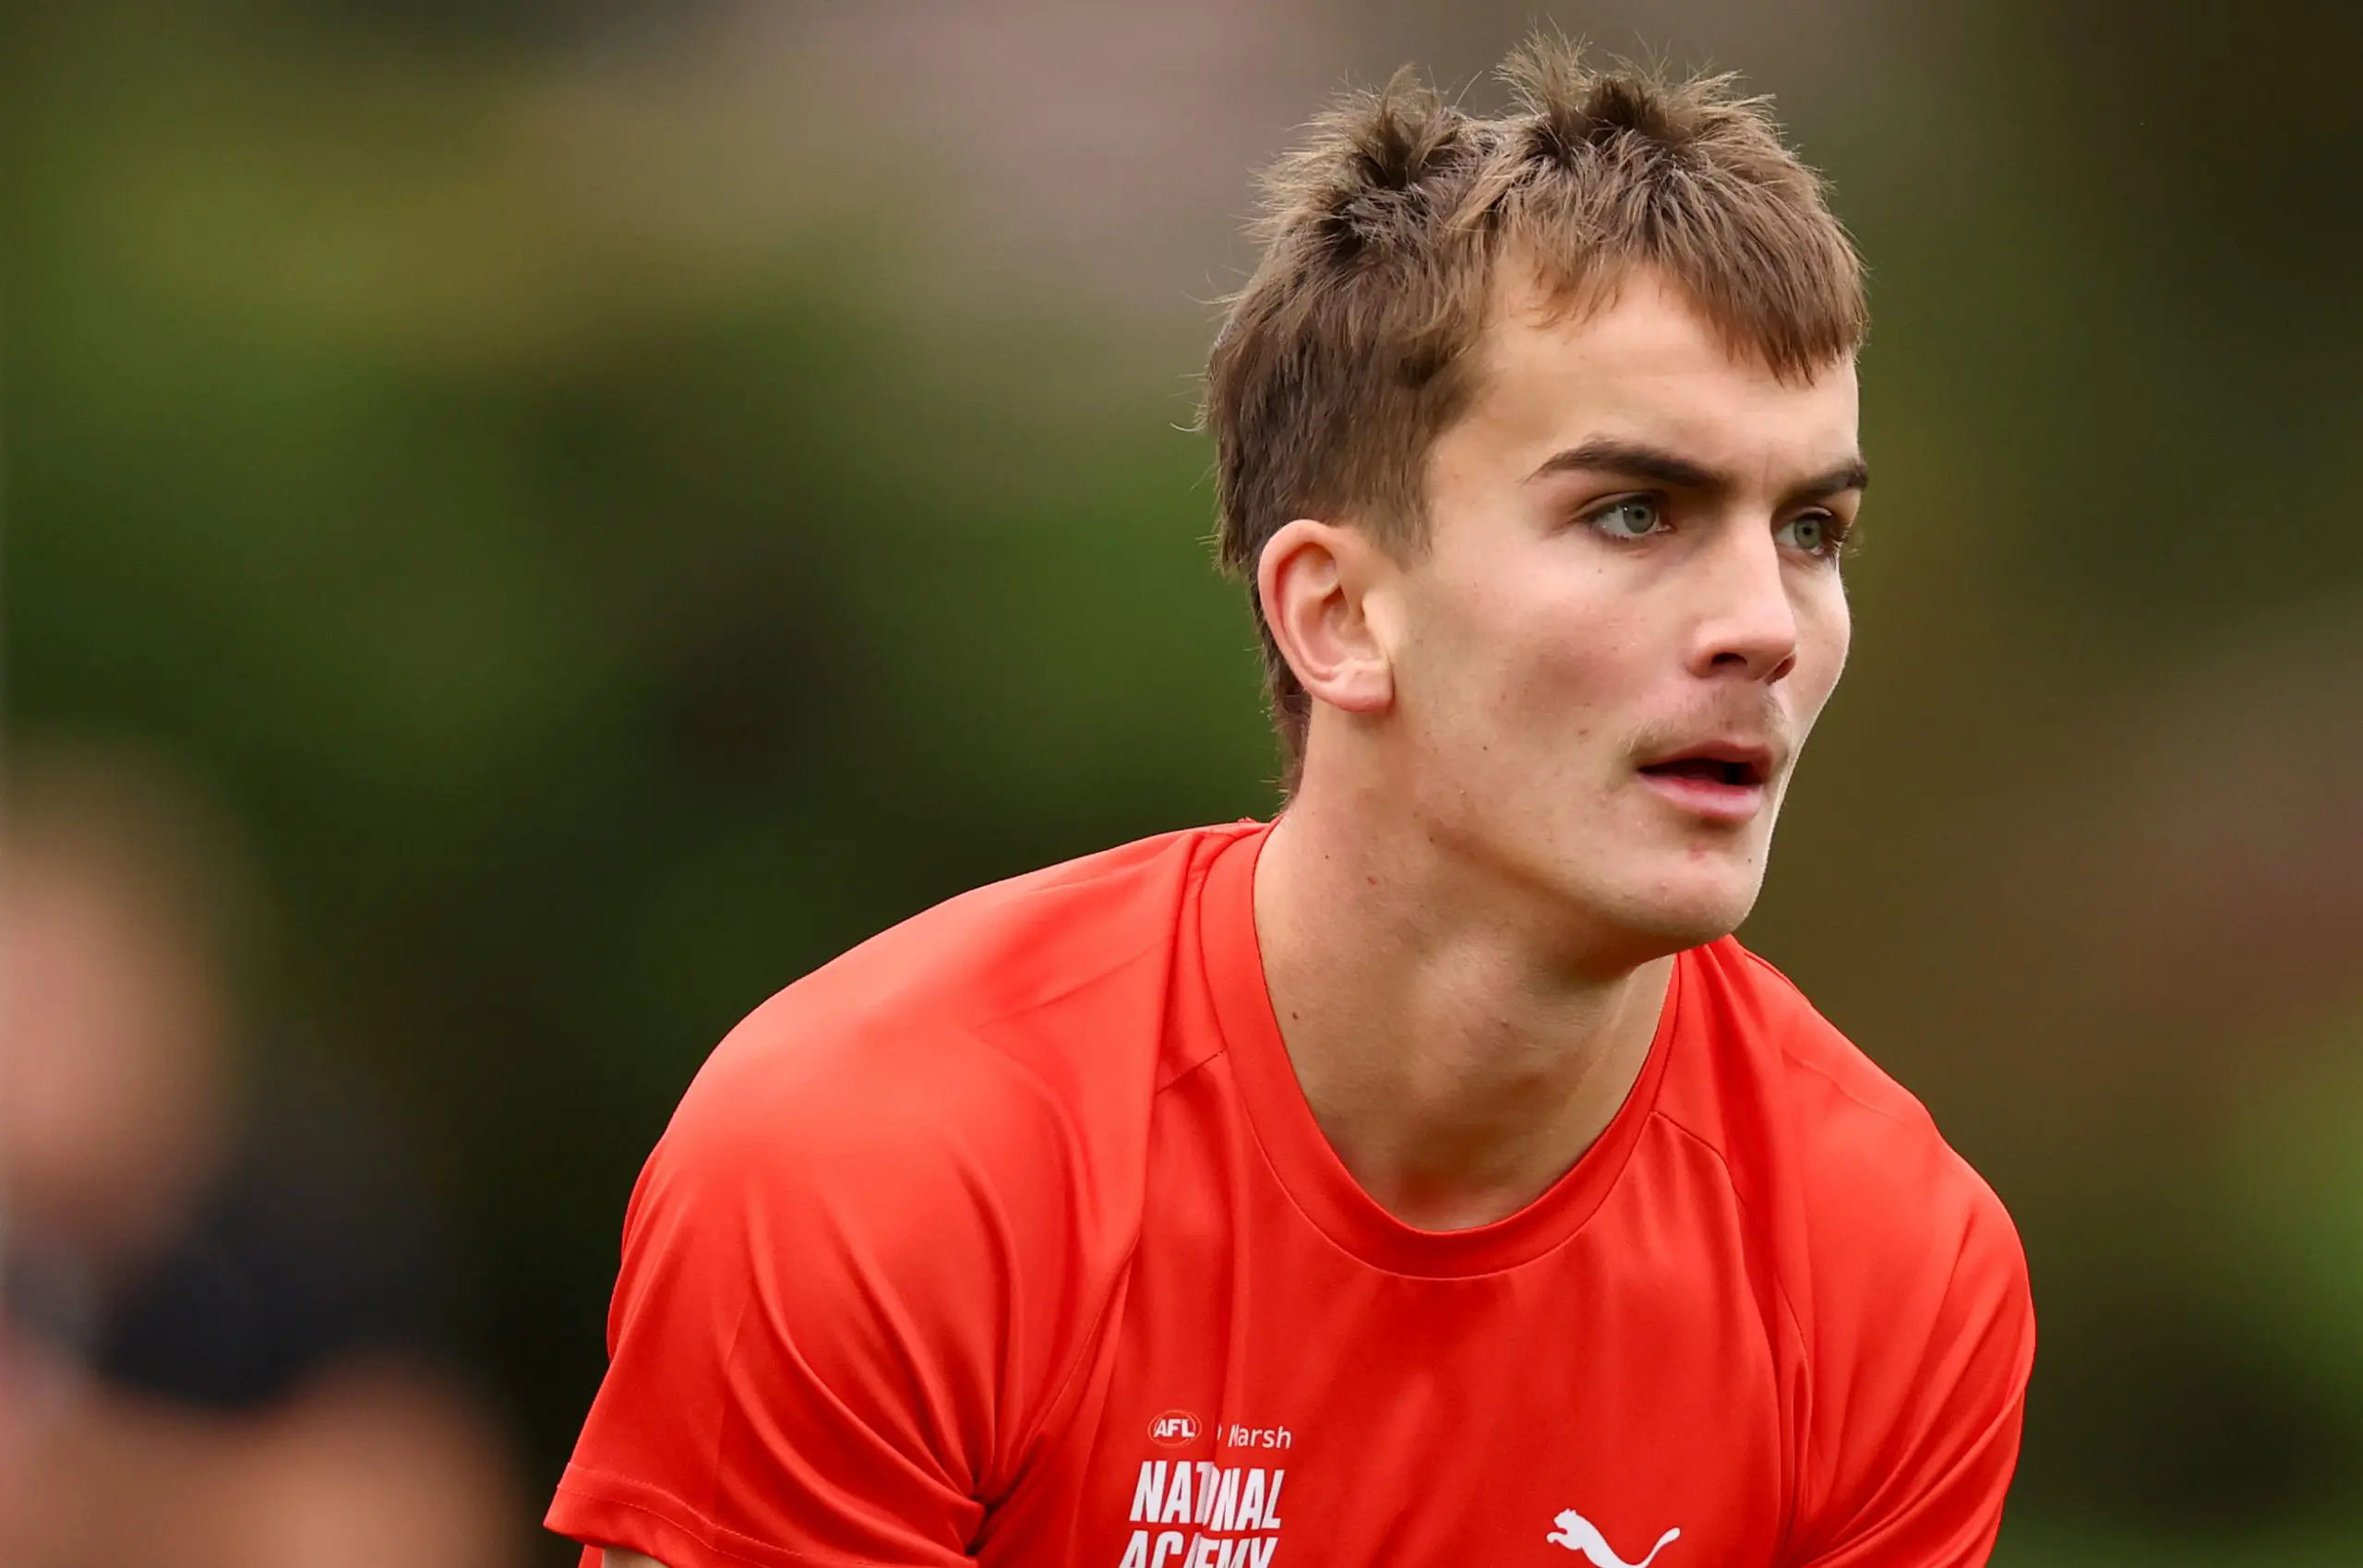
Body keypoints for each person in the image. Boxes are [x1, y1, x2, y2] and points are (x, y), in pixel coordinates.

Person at [549, 37, 2034, 1568]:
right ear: (1335, 613)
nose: (1767, 623)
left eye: (1811, 526)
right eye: (1634, 511)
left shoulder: (1892, 1267)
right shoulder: (882, 1161)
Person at [0, 744, 519, 1568]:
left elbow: (416, 1527)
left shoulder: (298, 1224)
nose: (24, 1053)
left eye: (52, 1001)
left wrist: (80, 1481)